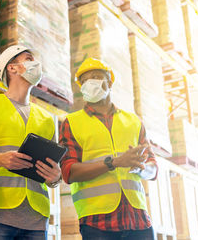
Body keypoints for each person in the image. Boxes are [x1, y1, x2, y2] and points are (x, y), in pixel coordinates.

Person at [0, 45, 62, 240]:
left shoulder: (47, 119)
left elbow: (53, 173)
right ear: (12, 68)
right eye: (29, 58)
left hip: (36, 219)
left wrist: (55, 177)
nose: (35, 64)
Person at [60, 57, 158, 240]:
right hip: (97, 223)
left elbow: (153, 168)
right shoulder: (72, 123)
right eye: (84, 81)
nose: (90, 84)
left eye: (96, 77)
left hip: (138, 220)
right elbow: (68, 172)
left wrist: (142, 167)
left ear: (110, 82)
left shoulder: (133, 122)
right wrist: (114, 163)